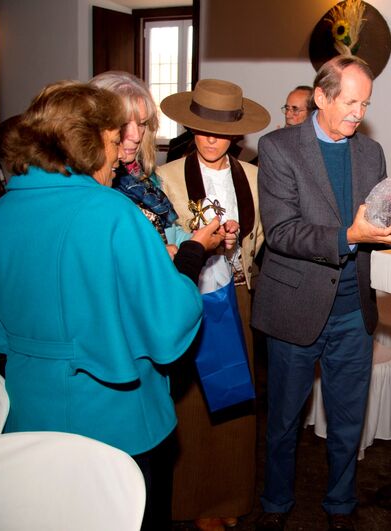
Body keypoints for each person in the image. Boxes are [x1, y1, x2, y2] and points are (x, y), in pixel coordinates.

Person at [0, 82, 222, 530]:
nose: (118, 157)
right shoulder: (111, 212)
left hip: (29, 418)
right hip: (119, 423)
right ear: (86, 145)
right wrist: (189, 261)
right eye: (113, 142)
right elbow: (168, 326)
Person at [251, 55, 391, 531]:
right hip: (295, 307)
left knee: (347, 423)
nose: (359, 112)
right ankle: (275, 505)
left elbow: (377, 218)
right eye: (351, 101)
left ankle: (341, 505)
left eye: (366, 103)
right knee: (283, 423)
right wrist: (350, 237)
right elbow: (282, 233)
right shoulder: (277, 148)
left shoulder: (370, 152)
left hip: (353, 311)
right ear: (321, 97)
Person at [157, 78, 270, 531]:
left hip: (237, 295)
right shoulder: (164, 179)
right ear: (190, 126)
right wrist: (201, 244)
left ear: (236, 133)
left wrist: (235, 242)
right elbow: (161, 243)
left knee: (236, 397)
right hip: (189, 296)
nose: (209, 138)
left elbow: (258, 240)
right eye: (201, 127)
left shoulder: (255, 177)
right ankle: (194, 499)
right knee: (193, 401)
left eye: (220, 130)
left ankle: (231, 495)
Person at [90, 71, 192, 254]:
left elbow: (170, 235)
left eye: (142, 124)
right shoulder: (91, 186)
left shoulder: (145, 178)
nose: (136, 136)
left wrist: (202, 239)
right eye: (124, 124)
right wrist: (154, 256)